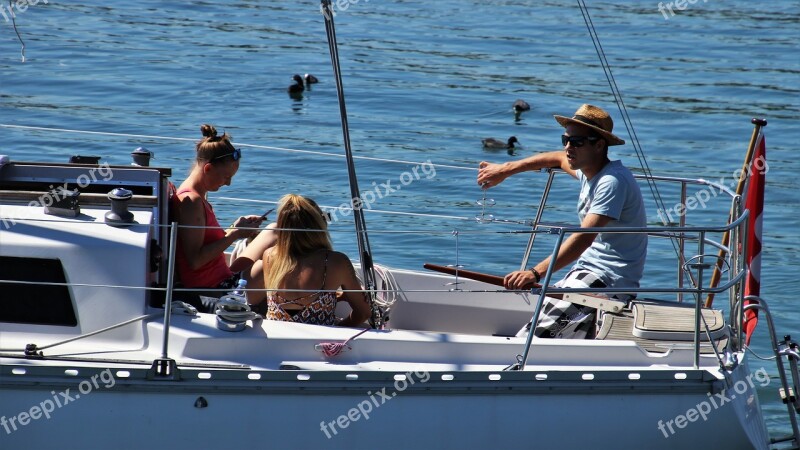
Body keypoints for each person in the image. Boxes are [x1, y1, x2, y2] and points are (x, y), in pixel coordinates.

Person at [477, 104, 647, 339]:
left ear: (599, 145)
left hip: (607, 282)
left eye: (577, 142)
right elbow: (556, 158)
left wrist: (535, 274)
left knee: (533, 339)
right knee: (546, 335)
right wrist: (505, 169)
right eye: (565, 139)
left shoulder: (612, 182)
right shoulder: (590, 171)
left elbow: (583, 239)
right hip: (586, 272)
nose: (568, 147)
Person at [174, 124, 276, 309]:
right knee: (271, 262)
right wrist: (235, 234)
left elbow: (204, 242)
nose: (228, 183)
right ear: (208, 169)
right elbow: (195, 262)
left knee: (274, 231)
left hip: (224, 276)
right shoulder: (191, 202)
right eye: (226, 177)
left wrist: (235, 227)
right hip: (216, 288)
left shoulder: (198, 196)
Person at [261, 194, 371, 327]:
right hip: (317, 343)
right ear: (319, 226)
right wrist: (339, 327)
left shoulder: (269, 256)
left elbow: (293, 301)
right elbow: (364, 313)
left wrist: (335, 297)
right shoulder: (335, 262)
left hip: (276, 337)